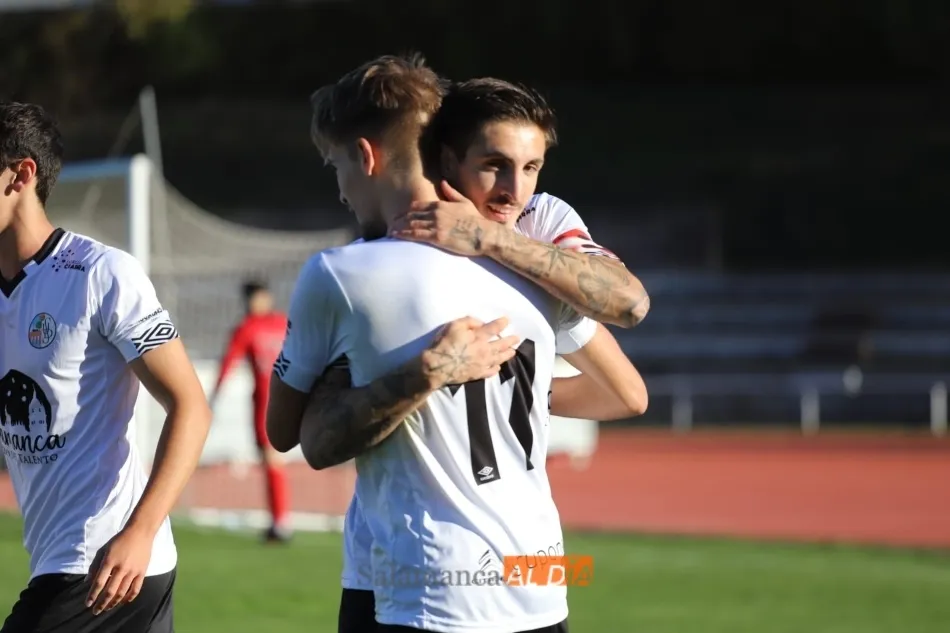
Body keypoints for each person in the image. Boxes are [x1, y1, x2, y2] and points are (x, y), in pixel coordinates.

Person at [268, 54, 636, 633]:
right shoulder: (539, 258)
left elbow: (295, 435)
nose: (516, 191)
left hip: (426, 585)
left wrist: (427, 374)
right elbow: (629, 375)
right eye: (497, 166)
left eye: (335, 165)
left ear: (364, 157)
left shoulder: (350, 272)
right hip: (535, 578)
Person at [0, 101, 212, 632]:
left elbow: (190, 406)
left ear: (21, 175)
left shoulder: (101, 274)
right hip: (67, 563)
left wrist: (139, 533)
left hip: (107, 567)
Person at [209, 280, 291, 543]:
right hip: (265, 404)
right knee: (271, 461)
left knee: (274, 460)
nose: (259, 303)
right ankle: (278, 521)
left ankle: (280, 522)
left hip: (290, 400)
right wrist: (215, 395)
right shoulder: (246, 328)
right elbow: (228, 362)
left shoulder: (284, 323)